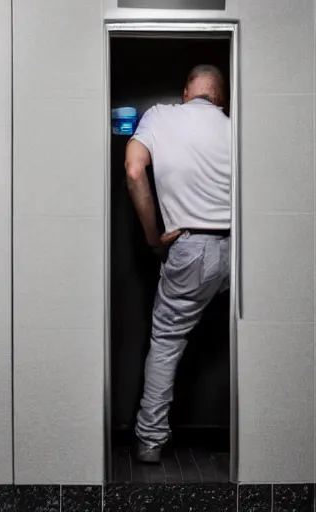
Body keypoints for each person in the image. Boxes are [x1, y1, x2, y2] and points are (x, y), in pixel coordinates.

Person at [124, 64, 231, 463]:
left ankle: (151, 443)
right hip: (243, 246)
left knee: (167, 344)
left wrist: (154, 239)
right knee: (259, 339)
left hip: (190, 247)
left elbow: (134, 171)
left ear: (188, 91)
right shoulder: (238, 127)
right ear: (220, 97)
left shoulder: (159, 115)